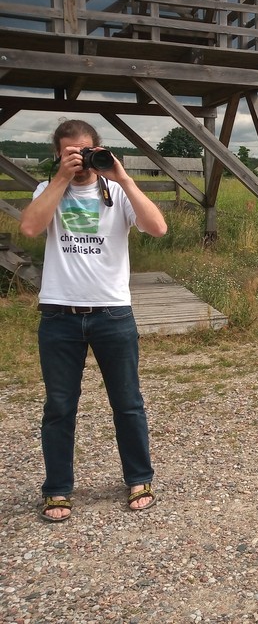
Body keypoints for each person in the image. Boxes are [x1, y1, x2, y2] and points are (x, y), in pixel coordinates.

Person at [20, 119, 168, 522]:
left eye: (86, 151)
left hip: (112, 313)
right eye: (71, 152)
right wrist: (60, 179)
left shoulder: (116, 192)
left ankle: (139, 479)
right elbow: (30, 227)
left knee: (128, 402)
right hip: (59, 314)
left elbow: (157, 228)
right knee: (59, 406)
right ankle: (57, 488)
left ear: (99, 149)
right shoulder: (47, 189)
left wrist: (122, 177)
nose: (80, 159)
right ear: (58, 153)